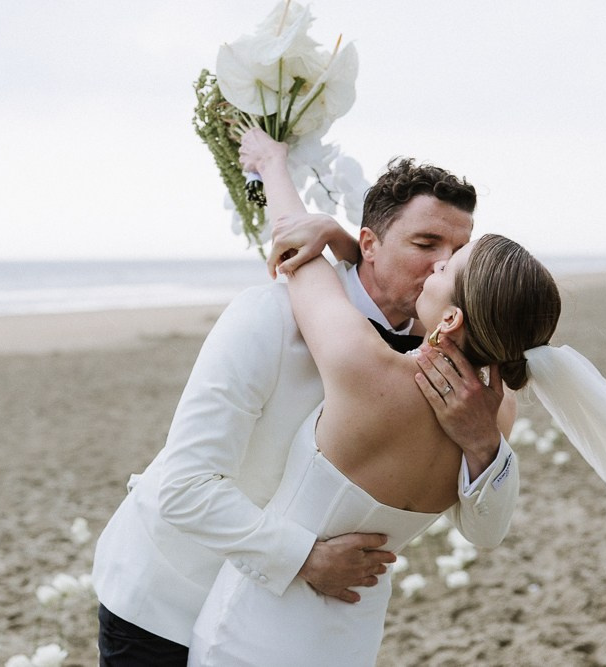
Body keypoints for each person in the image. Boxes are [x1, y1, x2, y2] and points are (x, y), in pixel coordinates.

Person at [188, 130, 606, 666]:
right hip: (349, 635)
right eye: (432, 250)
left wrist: (288, 184)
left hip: (253, 627)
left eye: (448, 266)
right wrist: (354, 242)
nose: (435, 266)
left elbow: (295, 251)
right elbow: (487, 531)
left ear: (450, 319)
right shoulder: (496, 411)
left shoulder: (362, 366)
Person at [91, 133, 521, 664]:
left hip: (287, 628)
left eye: (457, 252)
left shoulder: (455, 378)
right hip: (167, 595)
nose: (441, 265)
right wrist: (303, 559)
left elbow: (484, 528)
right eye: (425, 243)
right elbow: (184, 486)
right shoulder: (266, 317)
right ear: (368, 244)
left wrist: (484, 446)